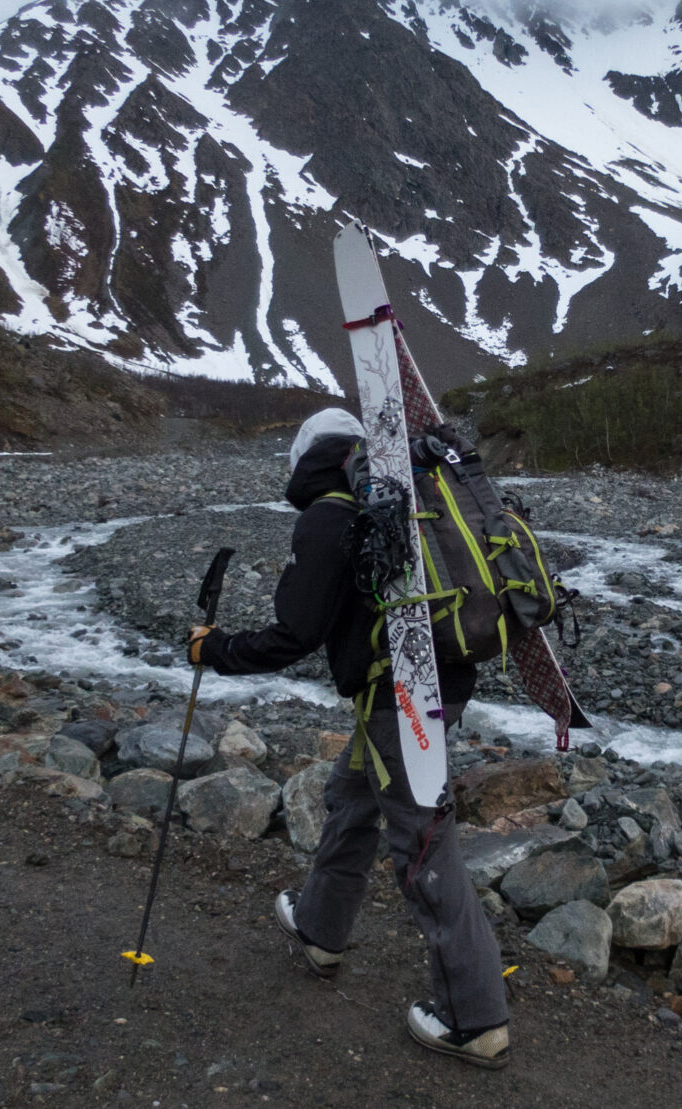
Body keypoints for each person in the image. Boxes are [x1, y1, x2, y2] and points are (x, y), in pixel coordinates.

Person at [187, 407, 511, 1069]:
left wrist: (215, 648)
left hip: (401, 696)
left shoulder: (332, 514)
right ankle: (319, 929)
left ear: (310, 460)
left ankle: (473, 1017)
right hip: (428, 684)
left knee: (424, 841)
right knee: (353, 796)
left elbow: (295, 632)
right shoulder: (392, 501)